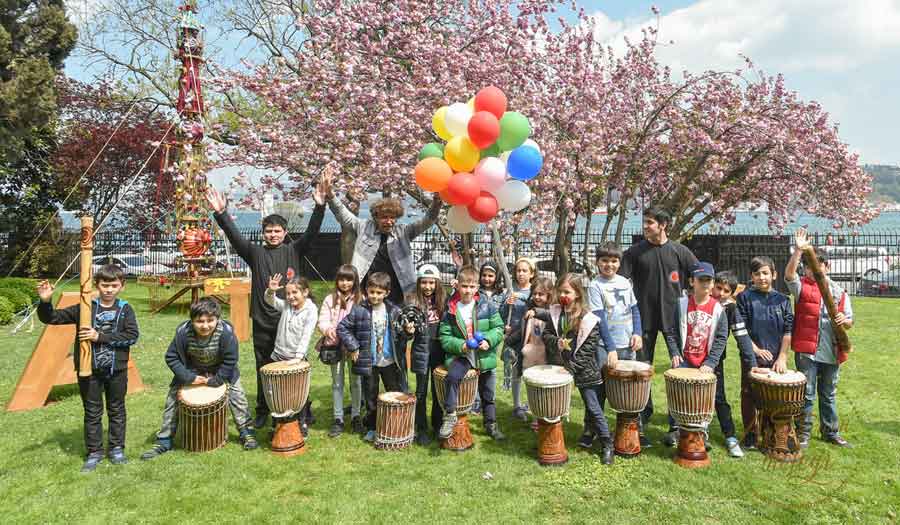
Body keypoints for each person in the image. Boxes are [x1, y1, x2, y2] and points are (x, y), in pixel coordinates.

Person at [206, 168, 330, 429]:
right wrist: (221, 213)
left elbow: (312, 233)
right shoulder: (254, 253)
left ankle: (302, 407)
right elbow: (234, 236)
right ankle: (264, 409)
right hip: (263, 320)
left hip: (290, 321)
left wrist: (320, 207)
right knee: (263, 366)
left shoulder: (294, 250)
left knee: (295, 365)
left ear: (285, 232)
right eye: (269, 231)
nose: (273, 234)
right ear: (263, 233)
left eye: (277, 231)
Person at [36, 266, 139, 472]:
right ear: (96, 285)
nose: (109, 289)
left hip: (116, 370)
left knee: (116, 409)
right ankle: (94, 452)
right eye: (105, 285)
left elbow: (131, 336)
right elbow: (52, 318)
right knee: (92, 412)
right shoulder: (85, 307)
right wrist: (45, 301)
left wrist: (99, 336)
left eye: (114, 285)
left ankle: (116, 449)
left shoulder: (125, 309)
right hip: (88, 370)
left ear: (122, 286)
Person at [141, 298, 258, 460]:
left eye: (210, 320)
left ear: (218, 319)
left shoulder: (226, 333)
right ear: (192, 320)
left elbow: (231, 360)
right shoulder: (183, 333)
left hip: (221, 369)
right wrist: (189, 377)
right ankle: (164, 439)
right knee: (172, 400)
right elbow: (171, 357)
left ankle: (246, 432)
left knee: (238, 396)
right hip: (193, 369)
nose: (205, 325)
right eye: (199, 321)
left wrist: (216, 380)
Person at [619, 207, 698, 446]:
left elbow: (700, 275)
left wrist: (695, 300)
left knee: (679, 371)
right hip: (643, 321)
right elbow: (620, 282)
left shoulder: (679, 251)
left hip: (674, 321)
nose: (645, 226)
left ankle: (676, 422)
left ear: (663, 225)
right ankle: (642, 413)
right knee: (642, 370)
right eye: (644, 222)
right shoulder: (634, 252)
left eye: (650, 223)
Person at [529, 273, 617, 464]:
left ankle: (607, 444)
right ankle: (550, 440)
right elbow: (546, 335)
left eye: (567, 292)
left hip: (585, 369)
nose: (563, 295)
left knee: (593, 408)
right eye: (560, 291)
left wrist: (571, 369)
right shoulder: (556, 313)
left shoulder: (589, 318)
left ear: (577, 293)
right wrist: (556, 342)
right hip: (560, 366)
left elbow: (588, 349)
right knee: (553, 405)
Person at [324, 170, 442, 306]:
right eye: (384, 217)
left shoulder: (403, 231)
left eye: (392, 217)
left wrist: (436, 203)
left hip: (397, 293)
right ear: (376, 217)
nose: (389, 221)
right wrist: (330, 195)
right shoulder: (363, 227)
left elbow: (427, 221)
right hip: (368, 291)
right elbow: (343, 214)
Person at [785, 228, 854, 449]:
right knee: (806, 394)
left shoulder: (839, 291)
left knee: (828, 394)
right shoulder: (802, 288)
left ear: (827, 267)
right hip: (807, 351)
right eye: (808, 267)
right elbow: (789, 276)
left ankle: (830, 432)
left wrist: (844, 320)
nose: (812, 270)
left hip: (831, 351)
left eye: (817, 265)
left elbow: (850, 321)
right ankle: (803, 433)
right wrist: (798, 251)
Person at [337, 272, 423, 443]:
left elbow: (402, 337)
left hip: (391, 362)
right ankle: (372, 427)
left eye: (379, 293)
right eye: (372, 292)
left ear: (387, 293)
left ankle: (398, 424)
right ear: (366, 291)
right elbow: (342, 328)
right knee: (371, 396)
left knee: (396, 393)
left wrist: (408, 332)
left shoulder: (395, 311)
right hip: (369, 363)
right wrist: (353, 347)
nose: (375, 296)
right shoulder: (359, 310)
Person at [661, 262, 730, 448]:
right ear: (692, 282)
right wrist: (674, 352)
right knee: (678, 395)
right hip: (684, 360)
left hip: (705, 362)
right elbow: (671, 331)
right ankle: (675, 429)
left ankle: (701, 432)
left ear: (713, 283)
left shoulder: (718, 309)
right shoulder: (681, 304)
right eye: (701, 280)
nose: (705, 284)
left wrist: (711, 362)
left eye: (709, 280)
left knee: (702, 399)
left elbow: (722, 338)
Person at [437, 265, 506, 441]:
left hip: (484, 356)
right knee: (452, 377)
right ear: (457, 286)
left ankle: (491, 425)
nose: (468, 290)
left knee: (488, 394)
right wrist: (461, 346)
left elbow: (498, 328)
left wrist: (488, 340)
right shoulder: (451, 309)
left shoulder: (487, 306)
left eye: (471, 286)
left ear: (477, 287)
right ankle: (450, 414)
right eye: (464, 286)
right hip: (463, 356)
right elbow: (444, 336)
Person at [587, 241, 644, 441]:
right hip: (605, 346)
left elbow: (634, 309)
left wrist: (637, 332)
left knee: (627, 388)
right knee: (599, 387)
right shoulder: (595, 285)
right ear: (597, 262)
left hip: (627, 344)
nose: (609, 265)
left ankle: (629, 429)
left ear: (619, 263)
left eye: (613, 261)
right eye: (604, 260)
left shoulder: (625, 282)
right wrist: (610, 348)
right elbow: (599, 319)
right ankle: (591, 428)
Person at [735, 255, 793, 450]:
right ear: (752, 276)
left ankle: (770, 432)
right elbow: (741, 329)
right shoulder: (744, 298)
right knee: (749, 394)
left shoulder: (783, 300)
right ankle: (750, 434)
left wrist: (782, 357)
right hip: (751, 356)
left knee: (773, 396)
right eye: (757, 274)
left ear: (774, 275)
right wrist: (756, 350)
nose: (762, 277)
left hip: (776, 359)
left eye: (766, 273)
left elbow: (788, 331)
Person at [265, 274, 318, 436]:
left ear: (305, 292)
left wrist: (298, 357)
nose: (290, 296)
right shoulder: (287, 306)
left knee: (299, 393)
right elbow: (271, 301)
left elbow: (306, 335)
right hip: (278, 356)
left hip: (296, 359)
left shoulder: (311, 310)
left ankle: (302, 422)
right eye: (288, 293)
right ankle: (277, 424)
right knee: (277, 393)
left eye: (295, 292)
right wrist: (271, 291)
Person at [711, 270, 757, 458]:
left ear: (731, 293)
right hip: (692, 358)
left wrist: (752, 363)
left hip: (714, 360)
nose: (721, 293)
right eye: (718, 288)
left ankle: (730, 436)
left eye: (726, 291)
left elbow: (742, 336)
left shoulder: (730, 309)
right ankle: (680, 431)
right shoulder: (699, 301)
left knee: (719, 398)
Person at [318, 264, 364, 438]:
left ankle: (356, 416)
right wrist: (327, 329)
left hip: (354, 348)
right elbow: (322, 320)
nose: (345, 283)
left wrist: (356, 344)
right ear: (337, 280)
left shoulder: (361, 298)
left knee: (356, 382)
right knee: (337, 383)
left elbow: (364, 322)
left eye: (349, 280)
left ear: (355, 281)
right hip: (334, 347)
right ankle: (338, 418)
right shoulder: (329, 299)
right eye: (342, 279)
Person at [403, 264, 447, 445]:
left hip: (439, 350)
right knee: (421, 391)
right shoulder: (412, 301)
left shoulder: (443, 300)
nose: (428, 287)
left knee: (438, 390)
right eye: (424, 282)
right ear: (418, 283)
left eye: (431, 282)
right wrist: (408, 331)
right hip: (421, 350)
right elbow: (405, 331)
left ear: (437, 283)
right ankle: (421, 428)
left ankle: (437, 424)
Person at [504, 275, 553, 426]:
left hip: (546, 356)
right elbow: (523, 330)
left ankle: (543, 415)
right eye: (535, 293)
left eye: (541, 294)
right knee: (531, 385)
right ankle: (534, 416)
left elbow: (551, 317)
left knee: (543, 387)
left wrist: (536, 312)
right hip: (530, 353)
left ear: (549, 295)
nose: (537, 297)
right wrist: (508, 340)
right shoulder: (529, 308)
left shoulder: (553, 309)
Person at [501, 257, 536, 421]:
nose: (521, 274)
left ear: (531, 273)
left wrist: (520, 297)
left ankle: (532, 403)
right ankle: (516, 405)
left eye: (524, 271)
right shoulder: (509, 290)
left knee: (530, 372)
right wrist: (505, 325)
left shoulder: (534, 291)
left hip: (530, 337)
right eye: (518, 270)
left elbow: (535, 305)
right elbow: (502, 314)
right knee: (516, 371)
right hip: (513, 337)